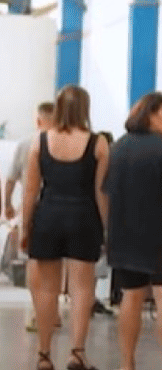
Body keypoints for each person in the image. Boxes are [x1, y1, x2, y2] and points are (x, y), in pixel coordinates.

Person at [104, 92, 162, 370]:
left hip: (124, 234)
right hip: (161, 236)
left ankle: (126, 363)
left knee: (130, 297)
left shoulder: (118, 147)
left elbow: (107, 193)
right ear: (152, 115)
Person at [21, 85, 108, 370]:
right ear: (85, 109)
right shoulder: (98, 144)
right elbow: (101, 193)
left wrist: (25, 227)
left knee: (46, 290)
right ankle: (77, 353)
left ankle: (44, 355)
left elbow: (31, 190)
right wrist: (107, 229)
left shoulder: (40, 141)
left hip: (48, 216)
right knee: (82, 289)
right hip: (84, 217)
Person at [4, 102, 63, 332]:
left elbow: (11, 178)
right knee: (57, 266)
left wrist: (7, 204)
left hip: (32, 210)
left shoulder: (26, 144)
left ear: (38, 120)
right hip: (60, 209)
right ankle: (54, 312)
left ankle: (38, 313)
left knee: (35, 265)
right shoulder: (66, 142)